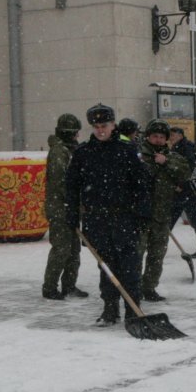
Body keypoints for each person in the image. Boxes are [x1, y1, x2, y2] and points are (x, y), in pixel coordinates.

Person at [64, 104, 153, 326]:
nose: (100, 130)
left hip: (124, 218)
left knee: (129, 266)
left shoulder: (127, 150)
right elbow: (72, 186)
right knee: (105, 266)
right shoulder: (83, 153)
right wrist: (72, 213)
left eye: (104, 125)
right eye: (96, 126)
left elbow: (142, 185)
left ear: (113, 125)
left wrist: (143, 213)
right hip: (97, 220)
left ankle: (133, 310)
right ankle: (110, 309)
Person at [137, 119, 191, 302]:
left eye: (162, 137)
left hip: (161, 215)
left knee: (157, 254)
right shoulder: (138, 155)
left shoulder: (172, 157)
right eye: (155, 136)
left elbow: (185, 172)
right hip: (140, 216)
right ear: (148, 137)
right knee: (136, 254)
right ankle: (132, 287)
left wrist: (166, 162)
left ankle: (149, 287)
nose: (158, 140)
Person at [42, 113, 86, 299]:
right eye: (75, 133)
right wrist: (72, 202)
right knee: (61, 249)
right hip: (61, 209)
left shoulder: (69, 150)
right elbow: (60, 182)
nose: (77, 136)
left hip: (70, 208)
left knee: (74, 250)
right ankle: (50, 288)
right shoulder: (59, 152)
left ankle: (69, 285)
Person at [166, 125, 196, 258]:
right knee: (187, 220)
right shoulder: (177, 147)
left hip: (185, 191)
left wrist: (181, 184)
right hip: (182, 192)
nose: (170, 138)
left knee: (188, 220)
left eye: (172, 135)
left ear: (180, 135)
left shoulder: (185, 148)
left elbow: (190, 168)